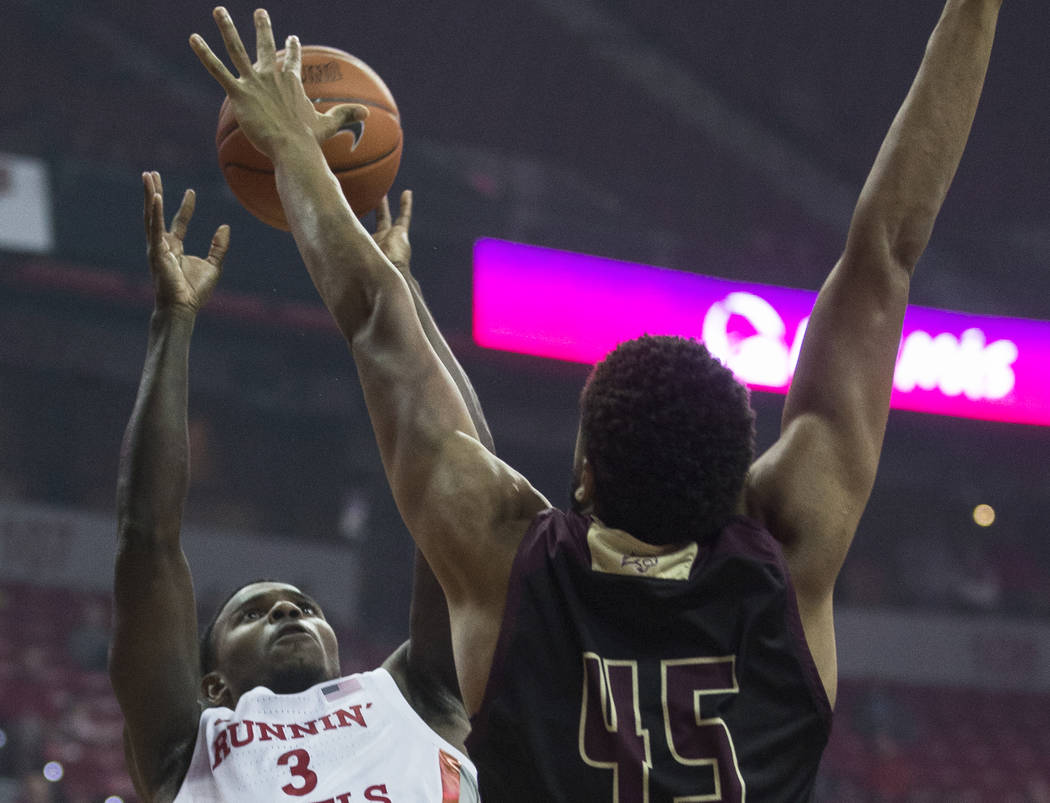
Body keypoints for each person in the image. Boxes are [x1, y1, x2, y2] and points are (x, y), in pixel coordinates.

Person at [189, 1, 1006, 798]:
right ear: (737, 483)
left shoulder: (510, 562)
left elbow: (373, 318)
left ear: (583, 473)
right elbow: (888, 249)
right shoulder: (788, 552)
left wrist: (294, 149)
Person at [109, 171, 485, 801]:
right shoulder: (188, 746)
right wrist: (172, 319)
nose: (288, 610)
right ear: (212, 687)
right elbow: (147, 543)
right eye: (250, 614)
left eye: (304, 607)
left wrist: (401, 294)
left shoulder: (416, 698)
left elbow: (469, 482)